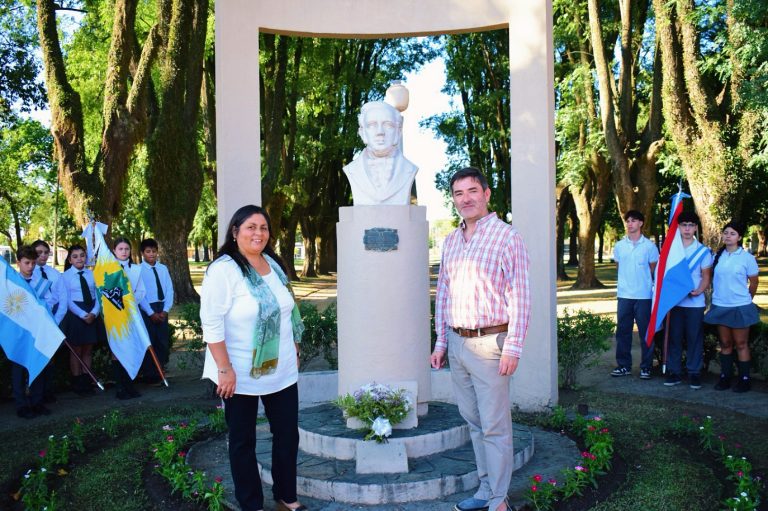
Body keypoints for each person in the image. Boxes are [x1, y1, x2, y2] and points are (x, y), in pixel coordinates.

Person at [430, 167, 530, 511]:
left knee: (495, 427)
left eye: (472, 191)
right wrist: (442, 342)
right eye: (459, 193)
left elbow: (520, 295)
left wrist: (512, 346)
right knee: (474, 423)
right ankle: (486, 491)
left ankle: (500, 501)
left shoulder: (506, 237)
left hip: (491, 345)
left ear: (487, 194)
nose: (466, 199)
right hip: (458, 344)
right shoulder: (451, 240)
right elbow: (443, 293)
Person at [200, 205, 307, 511]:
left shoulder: (272, 263)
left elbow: (287, 309)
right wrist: (224, 369)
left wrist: (295, 348)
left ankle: (286, 498)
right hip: (238, 373)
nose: (258, 233)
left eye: (263, 227)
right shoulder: (223, 270)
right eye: (250, 227)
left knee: (287, 435)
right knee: (242, 441)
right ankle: (252, 504)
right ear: (235, 232)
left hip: (282, 369)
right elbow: (211, 324)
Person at [704, 221, 759, 393]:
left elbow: (754, 283)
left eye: (732, 233)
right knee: (725, 343)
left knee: (741, 344)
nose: (728, 236)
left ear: (740, 237)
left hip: (740, 307)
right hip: (721, 305)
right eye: (726, 232)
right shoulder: (716, 257)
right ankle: (725, 377)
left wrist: (745, 299)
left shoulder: (747, 258)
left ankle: (744, 379)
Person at [663, 211, 713, 389]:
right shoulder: (671, 249)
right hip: (675, 302)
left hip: (695, 302)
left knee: (694, 338)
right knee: (675, 338)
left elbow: (706, 276)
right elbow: (665, 275)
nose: (687, 228)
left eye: (691, 225)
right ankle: (674, 371)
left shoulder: (702, 251)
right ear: (678, 227)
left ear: (695, 228)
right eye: (684, 225)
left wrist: (699, 290)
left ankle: (694, 373)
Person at [611, 210, 659, 379]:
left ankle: (646, 367)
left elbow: (653, 269)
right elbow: (619, 267)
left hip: (644, 296)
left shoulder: (650, 247)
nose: (630, 223)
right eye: (628, 221)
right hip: (624, 295)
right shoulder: (619, 246)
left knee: (646, 332)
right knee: (623, 331)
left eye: (633, 221)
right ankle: (624, 365)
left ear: (640, 223)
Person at [342, 100, 418, 205]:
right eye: (372, 125)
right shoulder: (352, 170)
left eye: (388, 125)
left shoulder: (409, 169)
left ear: (398, 132)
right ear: (362, 132)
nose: (380, 132)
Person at [11, 246, 52, 419]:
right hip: (18, 333)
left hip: (37, 332)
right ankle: (21, 405)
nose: (30, 267)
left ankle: (37, 402)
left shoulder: (39, 283)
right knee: (19, 368)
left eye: (33, 263)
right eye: (26, 263)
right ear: (18, 262)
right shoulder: (11, 283)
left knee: (38, 365)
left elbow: (49, 301)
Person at [60, 245, 101, 394]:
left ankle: (87, 380)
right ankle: (77, 383)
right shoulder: (65, 276)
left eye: (82, 255)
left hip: (91, 312)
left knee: (88, 350)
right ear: (70, 259)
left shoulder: (92, 274)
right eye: (75, 256)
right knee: (76, 350)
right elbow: (67, 299)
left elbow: (98, 295)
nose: (79, 259)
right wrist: (82, 315)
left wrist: (94, 313)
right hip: (76, 314)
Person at [31, 239, 67, 402]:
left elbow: (63, 299)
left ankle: (48, 390)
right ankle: (36, 393)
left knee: (51, 356)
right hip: (38, 321)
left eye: (46, 252)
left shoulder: (54, 273)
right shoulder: (30, 274)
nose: (43, 256)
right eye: (39, 253)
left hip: (54, 319)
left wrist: (56, 320)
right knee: (40, 356)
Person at [112, 237, 146, 399]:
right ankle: (120, 387)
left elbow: (141, 291)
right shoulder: (109, 269)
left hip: (131, 313)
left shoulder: (136, 269)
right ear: (114, 251)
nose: (124, 252)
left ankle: (130, 385)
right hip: (115, 314)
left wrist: (130, 303)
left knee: (131, 348)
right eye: (120, 249)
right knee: (118, 350)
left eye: (126, 249)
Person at [138, 238, 174, 382]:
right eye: (148, 252)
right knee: (149, 341)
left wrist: (165, 310)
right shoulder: (138, 270)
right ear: (142, 253)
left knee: (162, 341)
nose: (151, 254)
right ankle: (149, 374)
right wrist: (150, 313)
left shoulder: (163, 269)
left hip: (162, 307)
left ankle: (160, 369)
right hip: (148, 308)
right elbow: (140, 294)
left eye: (154, 251)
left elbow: (169, 290)